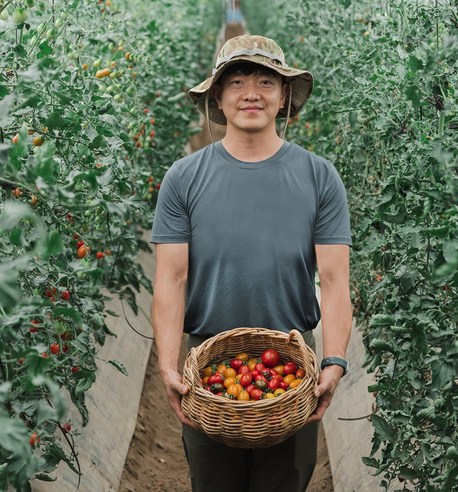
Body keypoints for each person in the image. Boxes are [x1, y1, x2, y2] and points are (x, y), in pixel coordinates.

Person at [150, 34, 352, 492]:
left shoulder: (319, 177)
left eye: (265, 81)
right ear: (218, 97)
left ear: (283, 96)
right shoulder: (184, 178)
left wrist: (334, 361)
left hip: (293, 368)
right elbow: (171, 276)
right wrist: (168, 363)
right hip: (209, 371)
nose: (251, 93)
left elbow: (336, 280)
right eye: (236, 81)